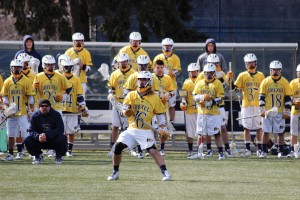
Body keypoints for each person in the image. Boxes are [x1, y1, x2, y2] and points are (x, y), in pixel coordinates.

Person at [107, 71, 171, 181]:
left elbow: (160, 115)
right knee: (117, 147)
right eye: (140, 79)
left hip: (145, 130)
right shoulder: (131, 95)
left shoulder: (154, 98)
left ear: (149, 81)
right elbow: (124, 110)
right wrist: (126, 112)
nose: (141, 82)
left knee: (152, 150)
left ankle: (165, 172)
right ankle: (115, 172)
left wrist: (162, 127)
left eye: (144, 79)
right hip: (132, 129)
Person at [230, 53, 265, 157]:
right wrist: (230, 80)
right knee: (246, 128)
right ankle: (248, 149)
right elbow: (234, 89)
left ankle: (259, 149)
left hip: (258, 105)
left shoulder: (261, 75)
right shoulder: (242, 75)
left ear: (256, 62)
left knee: (259, 128)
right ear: (246, 64)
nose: (251, 64)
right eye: (249, 63)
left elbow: (264, 91)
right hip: (246, 104)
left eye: (252, 62)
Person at [1, 59, 35, 161]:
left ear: (21, 68)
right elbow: (5, 96)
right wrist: (6, 108)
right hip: (11, 113)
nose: (16, 69)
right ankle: (11, 154)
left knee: (26, 134)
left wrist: (31, 110)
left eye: (18, 67)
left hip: (23, 112)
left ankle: (32, 152)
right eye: (14, 67)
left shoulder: (26, 80)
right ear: (11, 68)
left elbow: (30, 97)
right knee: (10, 134)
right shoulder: (7, 81)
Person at [259, 61, 292, 158]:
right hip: (268, 111)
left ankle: (280, 151)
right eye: (274, 70)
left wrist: (287, 110)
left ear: (280, 70)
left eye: (277, 69)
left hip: (279, 111)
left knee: (281, 132)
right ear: (270, 70)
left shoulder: (284, 82)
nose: (275, 71)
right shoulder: (265, 81)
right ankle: (263, 151)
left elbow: (287, 97)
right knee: (265, 131)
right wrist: (262, 109)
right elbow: (261, 96)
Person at [192, 63, 225, 160]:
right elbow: (194, 96)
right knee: (200, 134)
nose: (208, 75)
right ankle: (199, 152)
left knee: (216, 133)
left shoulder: (218, 83)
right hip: (202, 112)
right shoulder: (200, 83)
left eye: (210, 73)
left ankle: (220, 153)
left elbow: (221, 98)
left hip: (213, 113)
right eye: (206, 73)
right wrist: (202, 98)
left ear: (214, 73)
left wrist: (211, 102)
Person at [107, 53, 135, 157]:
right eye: (121, 62)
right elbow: (112, 88)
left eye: (124, 61)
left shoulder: (133, 73)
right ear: (118, 63)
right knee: (115, 126)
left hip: (129, 103)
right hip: (117, 102)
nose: (123, 63)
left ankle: (131, 147)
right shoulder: (114, 74)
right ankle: (113, 147)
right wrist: (111, 95)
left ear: (128, 62)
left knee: (131, 126)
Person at [24, 99, 67, 164]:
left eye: (46, 106)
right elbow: (31, 130)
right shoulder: (35, 116)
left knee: (62, 138)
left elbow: (60, 129)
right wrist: (38, 136)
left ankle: (58, 156)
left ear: (50, 107)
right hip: (39, 140)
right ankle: (38, 155)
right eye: (42, 106)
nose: (44, 107)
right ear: (39, 107)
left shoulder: (56, 115)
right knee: (28, 140)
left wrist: (47, 135)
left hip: (53, 140)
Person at [61, 57, 88, 157]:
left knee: (71, 131)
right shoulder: (59, 78)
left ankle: (69, 150)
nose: (68, 68)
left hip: (72, 109)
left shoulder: (76, 80)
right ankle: (61, 149)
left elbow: (79, 95)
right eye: (66, 67)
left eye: (69, 67)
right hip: (61, 109)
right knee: (61, 131)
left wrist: (82, 106)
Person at [153, 38, 182, 125]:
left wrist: (171, 73)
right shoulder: (158, 57)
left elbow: (178, 71)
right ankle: (157, 121)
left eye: (169, 46)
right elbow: (153, 69)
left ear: (172, 47)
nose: (167, 48)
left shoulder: (175, 58)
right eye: (166, 46)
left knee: (171, 105)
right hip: (159, 84)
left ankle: (171, 122)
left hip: (171, 84)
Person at [152, 59, 176, 156]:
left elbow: (172, 91)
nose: (160, 69)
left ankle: (162, 148)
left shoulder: (168, 78)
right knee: (153, 128)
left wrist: (167, 96)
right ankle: (153, 147)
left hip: (163, 107)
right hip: (153, 107)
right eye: (158, 67)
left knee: (163, 128)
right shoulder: (151, 77)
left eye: (161, 68)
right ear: (154, 68)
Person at [179, 63, 199, 157]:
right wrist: (183, 102)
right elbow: (183, 94)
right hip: (190, 109)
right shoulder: (187, 82)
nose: (193, 73)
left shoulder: (201, 81)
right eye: (191, 72)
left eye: (194, 71)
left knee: (200, 131)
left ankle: (200, 149)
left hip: (200, 109)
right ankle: (190, 149)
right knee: (189, 131)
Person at [65, 32, 93, 97]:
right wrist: (72, 64)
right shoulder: (68, 52)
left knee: (81, 101)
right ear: (73, 41)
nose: (78, 42)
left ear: (83, 41)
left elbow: (89, 69)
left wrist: (82, 66)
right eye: (77, 41)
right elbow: (63, 67)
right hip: (69, 80)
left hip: (81, 81)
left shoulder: (86, 53)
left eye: (80, 41)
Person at [288, 64, 300, 158]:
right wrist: (293, 101)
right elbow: (288, 96)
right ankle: (292, 150)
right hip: (295, 111)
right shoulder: (293, 83)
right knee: (294, 132)